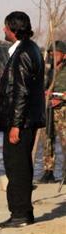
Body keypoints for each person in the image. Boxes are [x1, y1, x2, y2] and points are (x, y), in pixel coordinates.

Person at [0, 11, 45, 228]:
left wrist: (15, 124)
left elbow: (21, 92)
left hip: (21, 123)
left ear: (14, 29)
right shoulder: (29, 49)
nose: (3, 30)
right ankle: (22, 212)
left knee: (17, 167)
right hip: (25, 120)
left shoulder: (23, 53)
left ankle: (20, 214)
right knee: (20, 165)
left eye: (6, 27)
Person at [39, 41, 66, 183]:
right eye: (51, 54)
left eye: (56, 54)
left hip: (63, 112)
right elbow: (43, 87)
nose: (53, 56)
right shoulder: (48, 71)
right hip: (49, 110)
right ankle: (48, 171)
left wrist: (60, 99)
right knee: (48, 140)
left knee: (65, 142)